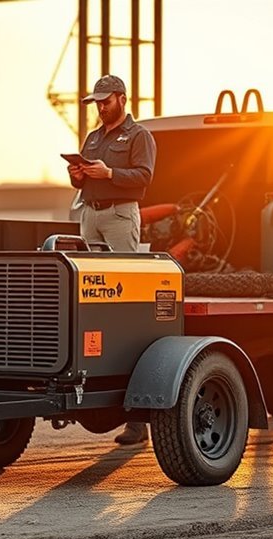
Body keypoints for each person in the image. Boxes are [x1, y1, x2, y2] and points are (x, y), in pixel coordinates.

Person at [68, 74, 157, 445]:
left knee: (126, 305)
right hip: (90, 215)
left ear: (122, 98)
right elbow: (81, 183)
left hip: (120, 215)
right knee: (93, 300)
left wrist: (110, 173)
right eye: (97, 103)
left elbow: (144, 177)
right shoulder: (93, 137)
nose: (101, 107)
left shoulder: (139, 136)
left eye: (105, 101)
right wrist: (78, 176)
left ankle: (137, 421)